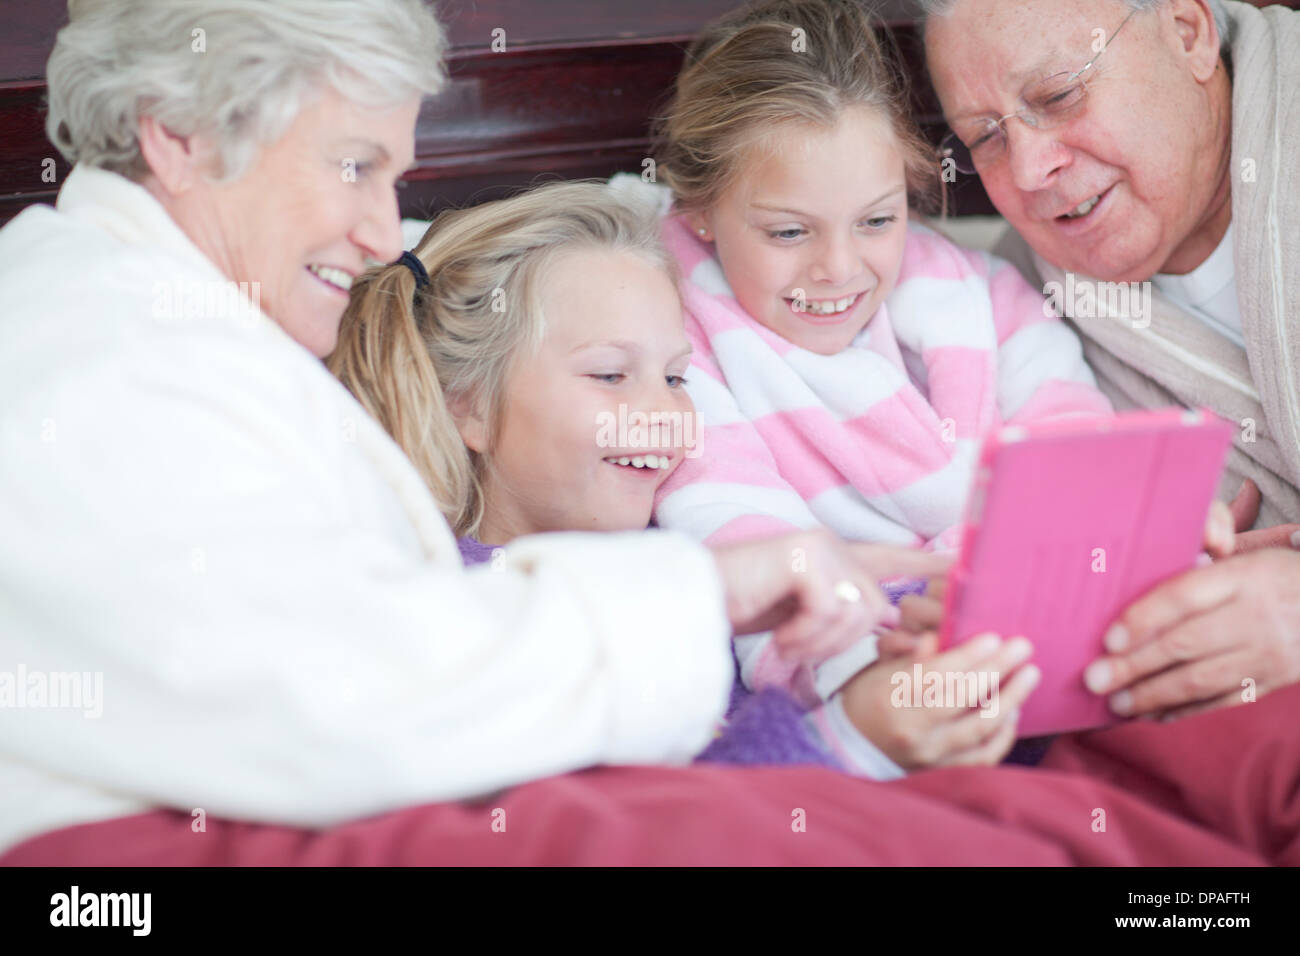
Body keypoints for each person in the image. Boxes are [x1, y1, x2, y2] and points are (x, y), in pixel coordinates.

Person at [0, 0, 932, 861]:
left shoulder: (167, 330)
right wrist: (709, 598)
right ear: (180, 136)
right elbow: (357, 709)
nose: (378, 235)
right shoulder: (98, 363)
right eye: (353, 167)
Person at [922, 0, 1300, 721]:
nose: (1031, 170)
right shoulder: (1010, 316)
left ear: (1188, 33)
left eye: (1059, 94)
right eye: (986, 137)